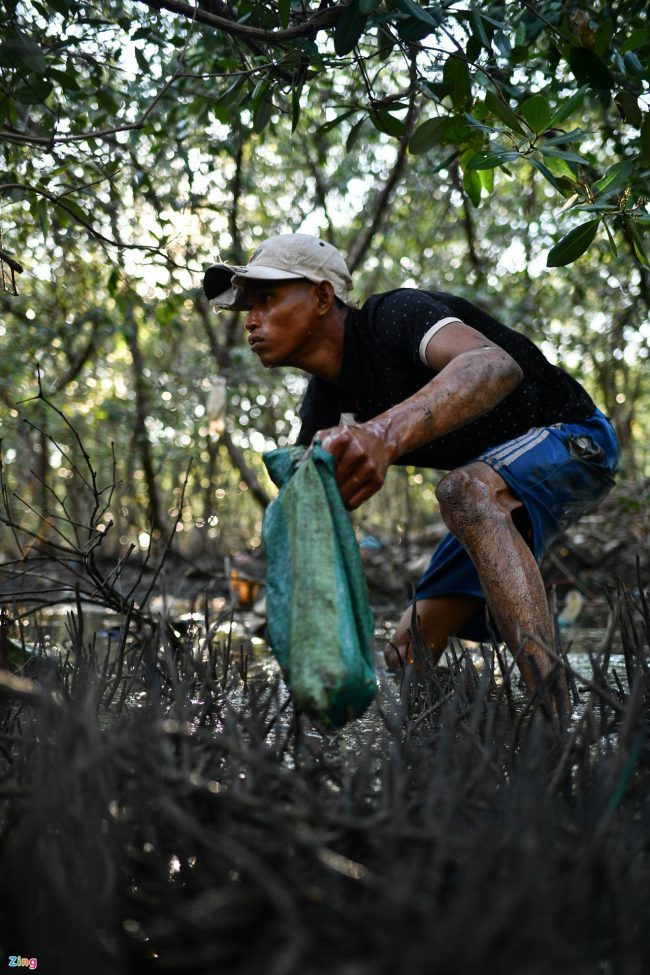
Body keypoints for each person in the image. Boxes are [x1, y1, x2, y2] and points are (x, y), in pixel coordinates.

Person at [203, 233, 619, 723]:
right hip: (489, 490)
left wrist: (383, 434)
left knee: (462, 491)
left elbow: (492, 364)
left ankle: (556, 723)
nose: (251, 320)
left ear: (321, 297)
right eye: (248, 307)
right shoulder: (324, 405)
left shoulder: (393, 317)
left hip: (575, 438)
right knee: (407, 652)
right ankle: (452, 748)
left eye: (267, 299)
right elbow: (312, 518)